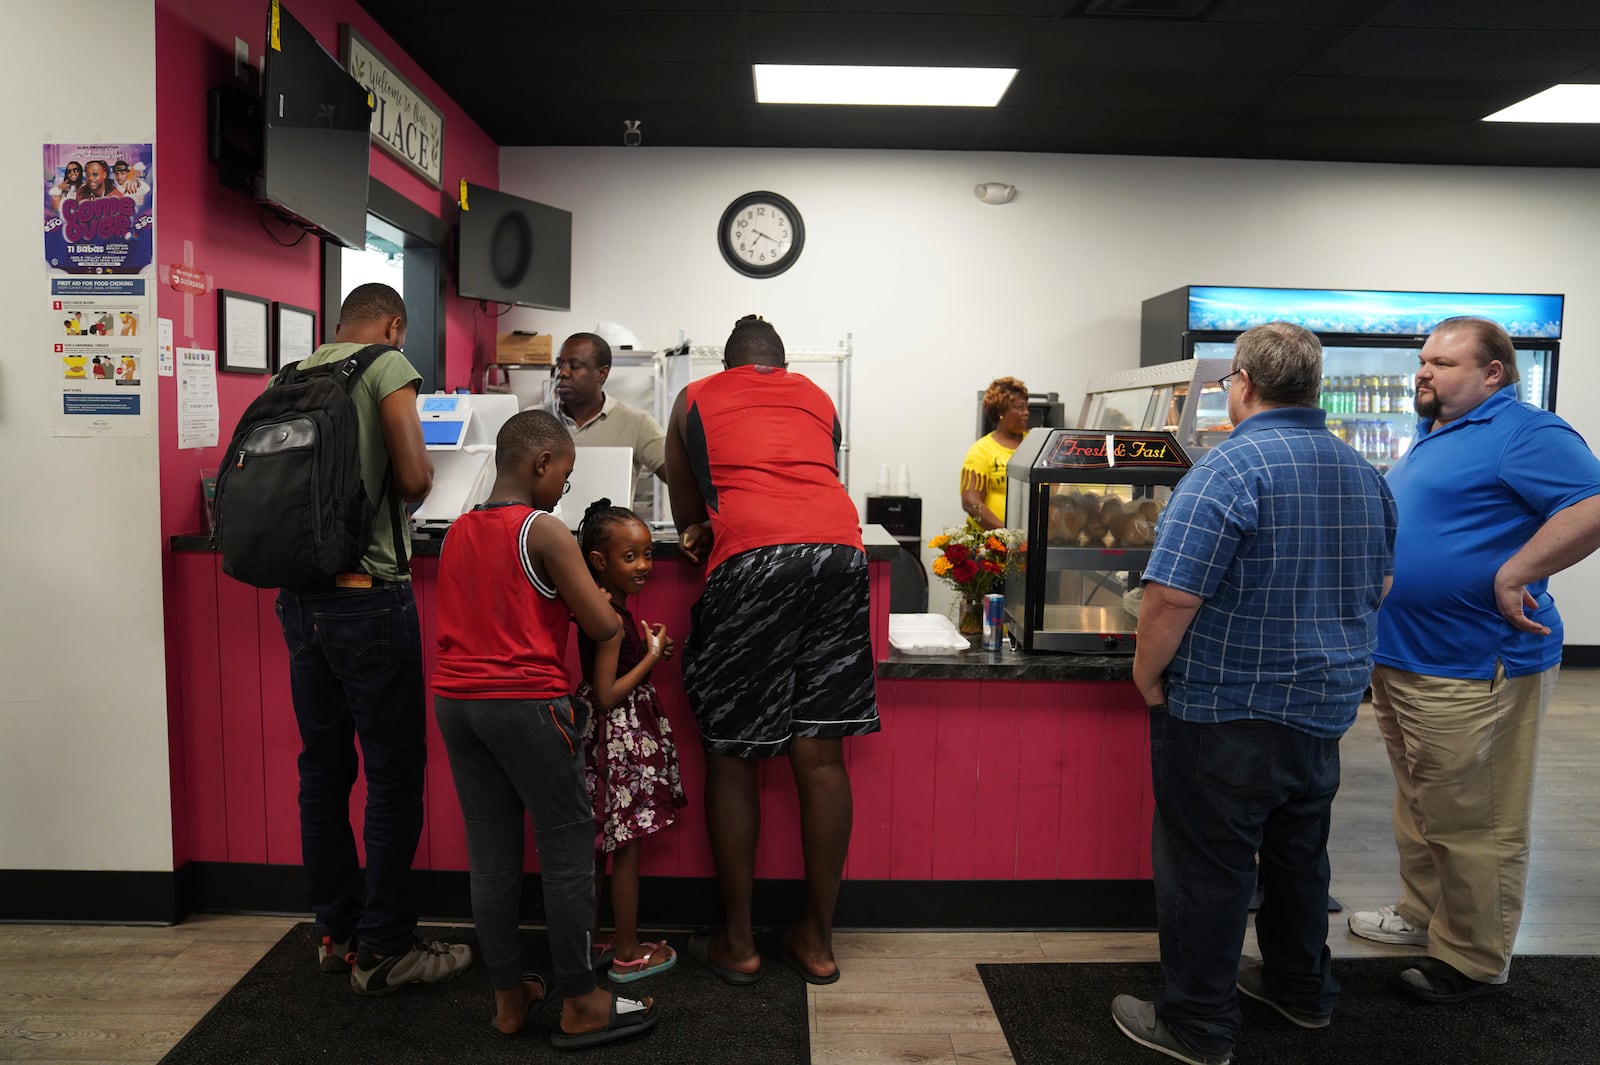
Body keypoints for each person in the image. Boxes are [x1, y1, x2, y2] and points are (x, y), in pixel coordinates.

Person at [1117, 322, 1396, 1065]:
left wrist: (1146, 676)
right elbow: (1382, 585)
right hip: (1326, 704)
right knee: (1300, 854)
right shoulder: (1363, 472)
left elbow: (1170, 597)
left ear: (1241, 381)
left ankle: (1196, 1025)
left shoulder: (1226, 469)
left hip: (1226, 709)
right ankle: (1303, 991)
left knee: (1207, 865)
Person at [1348, 315, 1600, 1002]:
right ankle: (1421, 913)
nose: (1425, 371)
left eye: (1445, 363)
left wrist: (1515, 570)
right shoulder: (1435, 434)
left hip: (1475, 659)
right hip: (1406, 656)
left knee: (1475, 815)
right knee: (1422, 800)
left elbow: (1592, 505)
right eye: (1424, 360)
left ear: (1494, 374)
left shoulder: (1527, 431)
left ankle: (1472, 957)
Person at [432, 411, 660, 1048]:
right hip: (526, 704)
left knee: (491, 852)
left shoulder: (456, 532)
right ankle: (582, 1001)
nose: (565, 485)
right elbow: (604, 625)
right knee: (565, 851)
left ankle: (509, 997)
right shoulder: (544, 530)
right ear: (540, 464)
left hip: (456, 703)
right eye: (565, 471)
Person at [665, 314, 880, 986]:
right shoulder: (818, 397)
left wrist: (698, 527)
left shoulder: (695, 395)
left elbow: (683, 489)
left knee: (733, 754)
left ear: (728, 362)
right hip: (842, 552)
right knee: (820, 755)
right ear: (780, 363)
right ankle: (817, 940)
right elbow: (818, 470)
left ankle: (738, 941)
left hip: (754, 559)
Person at [270, 282, 467, 994]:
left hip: (299, 601)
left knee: (321, 770)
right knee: (390, 773)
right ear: (393, 325)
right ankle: (384, 946)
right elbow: (415, 475)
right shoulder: (385, 366)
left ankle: (336, 930)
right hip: (368, 597)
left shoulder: (292, 374)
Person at [572, 499, 687, 984]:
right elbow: (605, 694)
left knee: (598, 845)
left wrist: (647, 651)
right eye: (630, 557)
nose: (644, 566)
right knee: (625, 847)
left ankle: (589, 943)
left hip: (604, 739)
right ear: (599, 562)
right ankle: (625, 951)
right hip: (618, 739)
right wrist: (653, 656)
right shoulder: (611, 620)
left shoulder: (600, 604)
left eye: (646, 555)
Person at [542, 332, 668, 514]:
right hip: (545, 535)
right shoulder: (534, 419)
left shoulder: (636, 422)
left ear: (602, 373)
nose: (562, 373)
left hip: (608, 539)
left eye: (574, 366)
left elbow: (678, 478)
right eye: (560, 365)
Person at [960, 376, 1029, 528]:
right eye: (1019, 407)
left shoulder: (1035, 444)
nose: (1026, 413)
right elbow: (970, 503)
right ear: (1001, 412)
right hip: (990, 544)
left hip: (1029, 541)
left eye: (1026, 407)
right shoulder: (981, 450)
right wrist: (1006, 534)